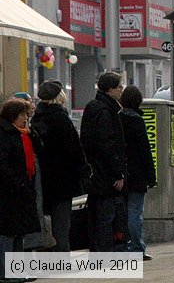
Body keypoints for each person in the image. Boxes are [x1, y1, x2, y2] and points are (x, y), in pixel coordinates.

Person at [30, 80, 90, 253]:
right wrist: (84, 169)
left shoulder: (36, 118)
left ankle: (45, 257)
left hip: (43, 178)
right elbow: (73, 147)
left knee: (46, 219)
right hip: (63, 178)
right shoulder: (60, 118)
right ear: (58, 96)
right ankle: (60, 258)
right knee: (62, 222)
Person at [80, 71, 127, 252]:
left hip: (95, 171)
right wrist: (118, 173)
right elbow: (108, 145)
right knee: (105, 216)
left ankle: (98, 250)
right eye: (119, 87)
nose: (121, 91)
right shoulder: (106, 112)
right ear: (110, 90)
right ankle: (104, 253)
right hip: (105, 173)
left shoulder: (93, 107)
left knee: (96, 214)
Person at [0, 98, 42, 282]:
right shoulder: (4, 134)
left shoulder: (24, 133)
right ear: (13, 115)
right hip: (9, 193)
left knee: (19, 233)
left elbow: (40, 150)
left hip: (23, 190)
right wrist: (17, 183)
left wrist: (33, 134)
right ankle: (7, 273)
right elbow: (2, 164)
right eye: (23, 114)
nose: (26, 117)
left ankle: (17, 270)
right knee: (7, 234)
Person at [119, 86, 157, 260]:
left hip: (121, 173)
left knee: (125, 211)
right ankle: (137, 248)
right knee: (135, 212)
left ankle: (124, 245)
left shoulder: (117, 118)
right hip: (137, 174)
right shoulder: (137, 120)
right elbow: (144, 150)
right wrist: (151, 175)